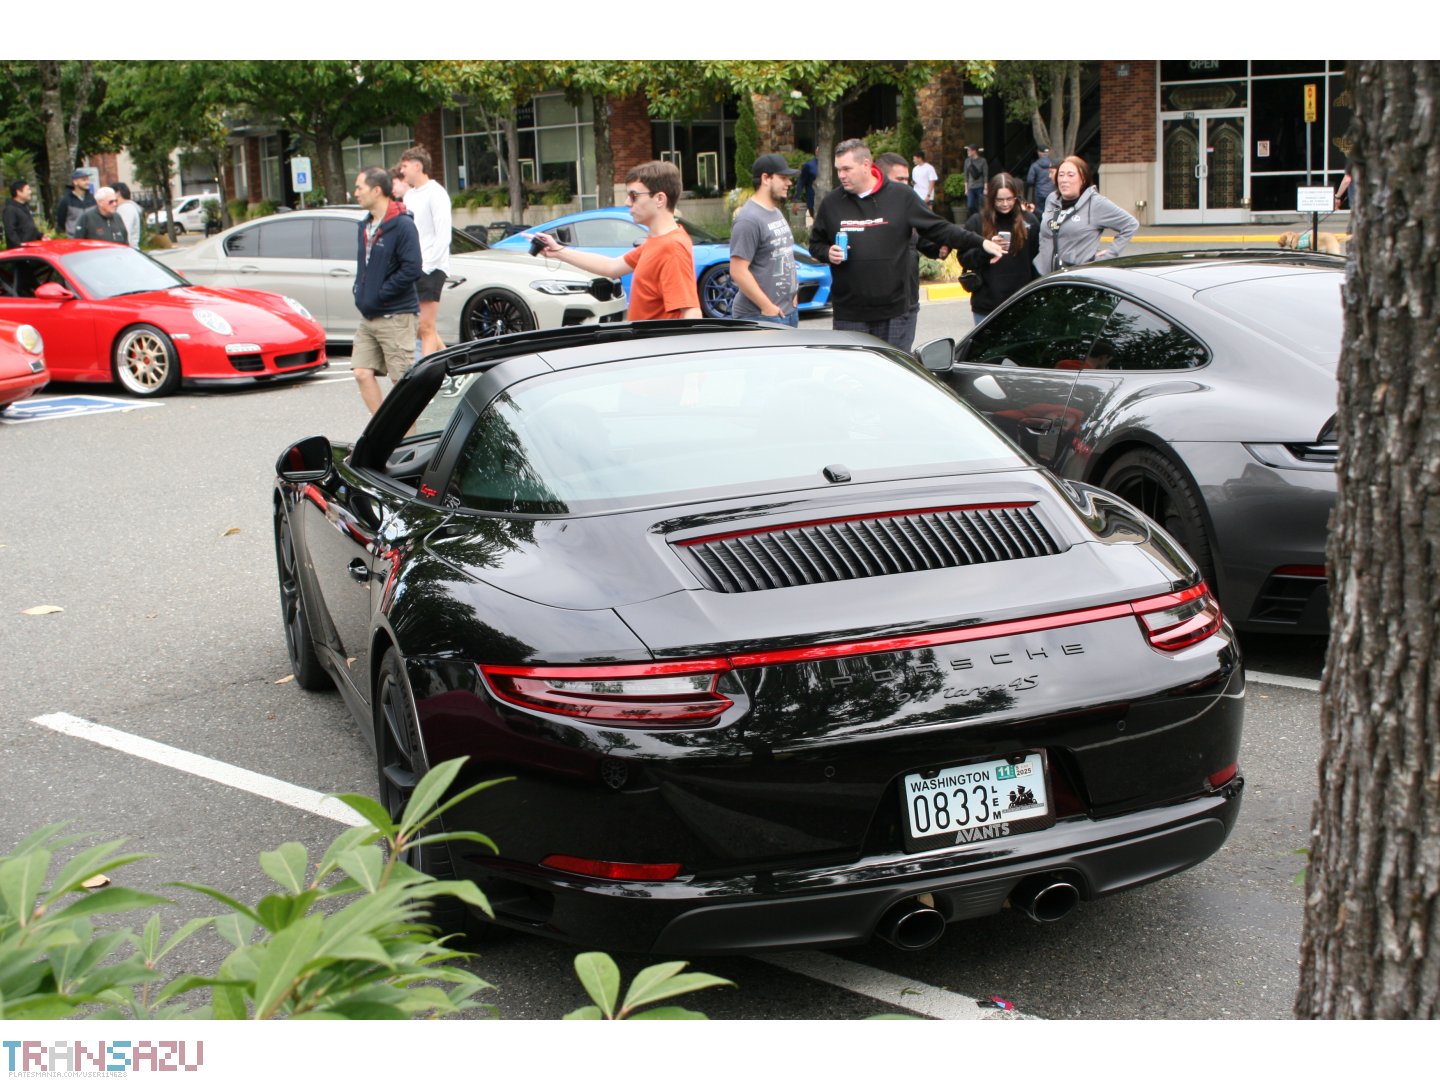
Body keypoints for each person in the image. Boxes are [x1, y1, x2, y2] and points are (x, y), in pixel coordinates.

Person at [810, 138, 1001, 353]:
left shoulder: (901, 196)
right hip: (849, 313)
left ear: (866, 165)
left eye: (847, 169)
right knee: (853, 380)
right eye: (838, 170)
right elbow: (815, 244)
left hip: (893, 312)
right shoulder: (832, 203)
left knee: (893, 378)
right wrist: (827, 252)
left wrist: (981, 242)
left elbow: (939, 228)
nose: (841, 175)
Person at [530, 160, 699, 321]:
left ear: (660, 199)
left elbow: (691, 312)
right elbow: (612, 267)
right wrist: (558, 251)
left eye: (634, 196)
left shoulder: (672, 247)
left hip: (653, 348)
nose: (627, 202)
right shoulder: (658, 242)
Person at [350, 166, 422, 415]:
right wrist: (360, 291)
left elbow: (412, 269)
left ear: (377, 190)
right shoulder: (365, 226)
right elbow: (365, 268)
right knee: (361, 372)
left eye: (360, 187)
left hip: (397, 315)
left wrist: (380, 294)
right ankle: (382, 433)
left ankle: (412, 443)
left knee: (401, 383)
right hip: (369, 315)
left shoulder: (402, 225)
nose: (355, 193)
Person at [1034, 155, 1139, 275]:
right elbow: (1045, 233)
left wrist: (1110, 255)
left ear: (1083, 179)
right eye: (1061, 175)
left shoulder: (1096, 203)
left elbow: (1130, 224)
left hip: (1076, 277)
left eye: (1070, 175)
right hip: (1044, 276)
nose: (1064, 180)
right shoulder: (1052, 199)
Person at [729, 152, 800, 326]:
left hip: (787, 311)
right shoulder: (748, 219)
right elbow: (738, 271)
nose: (789, 183)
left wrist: (793, 292)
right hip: (760, 316)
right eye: (783, 178)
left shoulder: (775, 212)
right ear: (765, 178)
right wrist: (767, 307)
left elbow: (784, 253)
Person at [960, 173, 1040, 324]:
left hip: (1021, 303)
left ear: (1016, 197)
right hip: (987, 305)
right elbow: (964, 259)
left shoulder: (1030, 221)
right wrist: (986, 249)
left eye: (1009, 199)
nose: (1005, 204)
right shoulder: (977, 222)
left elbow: (1036, 259)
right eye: (999, 200)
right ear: (991, 199)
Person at [396, 145, 451, 357]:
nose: (402, 171)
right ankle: (450, 364)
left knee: (426, 327)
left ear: (418, 166)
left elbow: (443, 234)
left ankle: (426, 374)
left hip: (431, 267)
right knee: (420, 326)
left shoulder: (436, 193)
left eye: (405, 166)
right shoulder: (410, 196)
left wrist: (427, 267)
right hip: (415, 267)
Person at [54, 170, 96, 237]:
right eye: (84, 180)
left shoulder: (92, 199)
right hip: (74, 239)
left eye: (88, 180)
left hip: (91, 239)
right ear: (75, 182)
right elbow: (61, 221)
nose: (87, 182)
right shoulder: (66, 201)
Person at [3, 179, 43, 248]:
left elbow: (29, 228)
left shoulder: (25, 207)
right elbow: (11, 232)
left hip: (31, 248)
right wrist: (19, 245)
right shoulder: (10, 210)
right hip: (20, 252)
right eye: (27, 190)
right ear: (19, 192)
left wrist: (40, 236)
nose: (30, 192)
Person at [1026, 146, 1056, 212]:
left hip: (1039, 193)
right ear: (1048, 153)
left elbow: (1030, 180)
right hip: (1052, 192)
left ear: (1039, 153)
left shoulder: (1035, 165)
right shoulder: (1054, 164)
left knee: (1040, 212)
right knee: (1052, 211)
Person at [113, 183, 142, 249]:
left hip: (128, 251)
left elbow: (125, 231)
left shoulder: (125, 208)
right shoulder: (128, 207)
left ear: (118, 193)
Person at [963, 145, 989, 216]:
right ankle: (975, 217)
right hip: (971, 187)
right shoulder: (967, 161)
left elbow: (985, 175)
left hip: (980, 186)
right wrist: (966, 188)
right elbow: (966, 175)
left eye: (969, 150)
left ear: (974, 151)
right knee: (970, 206)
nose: (967, 152)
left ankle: (981, 219)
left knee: (981, 206)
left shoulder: (982, 161)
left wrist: (986, 188)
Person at [796, 147, 818, 219]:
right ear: (816, 152)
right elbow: (801, 182)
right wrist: (796, 199)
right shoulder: (809, 166)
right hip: (813, 198)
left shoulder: (832, 164)